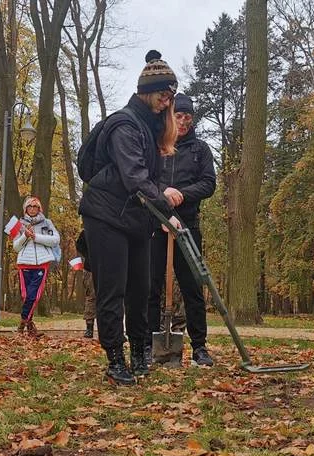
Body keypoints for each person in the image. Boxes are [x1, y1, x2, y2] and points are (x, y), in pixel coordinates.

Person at [78, 50, 180, 385]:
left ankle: (139, 353)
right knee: (113, 289)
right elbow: (134, 176)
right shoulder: (124, 123)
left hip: (137, 218)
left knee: (140, 289)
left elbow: (156, 178)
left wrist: (166, 212)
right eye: (163, 96)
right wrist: (163, 204)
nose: (167, 104)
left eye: (171, 98)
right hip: (105, 216)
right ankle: (115, 358)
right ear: (147, 91)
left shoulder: (151, 130)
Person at [145, 93, 217, 367]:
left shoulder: (200, 150)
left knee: (192, 287)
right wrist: (164, 195)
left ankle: (199, 347)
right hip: (155, 225)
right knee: (150, 286)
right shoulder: (156, 146)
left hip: (188, 226)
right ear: (170, 117)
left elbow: (208, 183)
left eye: (188, 117)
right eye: (178, 116)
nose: (183, 122)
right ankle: (148, 345)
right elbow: (144, 179)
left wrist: (181, 195)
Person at [11, 196, 60, 335]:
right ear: (25, 209)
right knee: (26, 295)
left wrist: (36, 237)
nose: (32, 209)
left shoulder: (47, 223)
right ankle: (30, 326)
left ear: (39, 209)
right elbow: (16, 247)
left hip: (41, 264)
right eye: (30, 206)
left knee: (34, 296)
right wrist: (25, 236)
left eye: (35, 207)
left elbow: (55, 240)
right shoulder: (19, 225)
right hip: (24, 263)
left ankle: (22, 322)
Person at [75, 231, 96, 339]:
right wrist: (89, 255)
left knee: (109, 298)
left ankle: (109, 328)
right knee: (91, 298)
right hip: (90, 268)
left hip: (108, 269)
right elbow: (79, 244)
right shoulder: (87, 231)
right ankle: (89, 328)